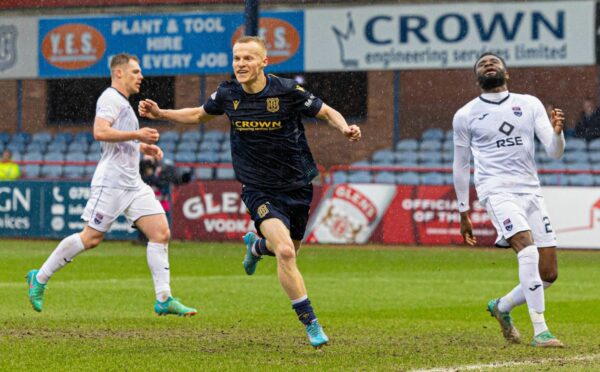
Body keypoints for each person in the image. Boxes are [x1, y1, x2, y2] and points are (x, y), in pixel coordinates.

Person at [139, 36, 361, 348]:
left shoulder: (286, 91)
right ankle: (311, 323)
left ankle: (256, 248)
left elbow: (325, 111)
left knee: (290, 251)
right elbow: (199, 114)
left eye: (248, 59)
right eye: (237, 58)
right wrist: (162, 113)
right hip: (258, 186)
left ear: (263, 62)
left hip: (297, 185)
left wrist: (344, 127)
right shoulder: (228, 93)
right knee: (284, 251)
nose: (241, 64)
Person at [27, 53, 196, 317]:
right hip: (112, 182)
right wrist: (138, 134)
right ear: (119, 73)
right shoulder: (109, 98)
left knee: (160, 233)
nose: (141, 77)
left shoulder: (123, 103)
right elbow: (100, 132)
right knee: (91, 238)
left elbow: (117, 140)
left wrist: (143, 147)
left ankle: (164, 298)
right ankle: (40, 277)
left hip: (133, 183)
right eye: (135, 72)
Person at [452, 52, 565, 348]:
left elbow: (554, 151)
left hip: (530, 191)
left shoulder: (529, 104)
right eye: (482, 64)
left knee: (549, 272)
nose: (489, 64)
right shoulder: (466, 114)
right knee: (526, 249)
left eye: (494, 62)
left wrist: (558, 135)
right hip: (496, 190)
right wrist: (463, 211)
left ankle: (501, 307)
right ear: (477, 77)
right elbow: (460, 164)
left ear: (506, 72)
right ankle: (541, 330)